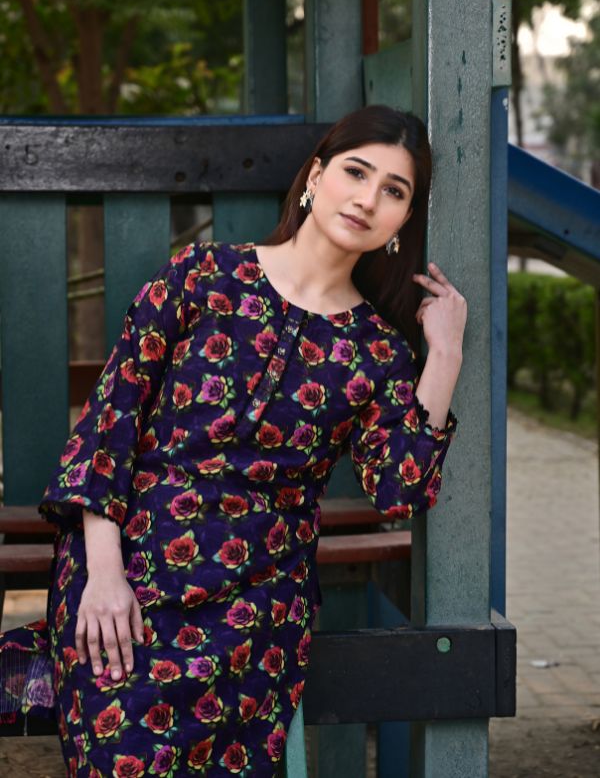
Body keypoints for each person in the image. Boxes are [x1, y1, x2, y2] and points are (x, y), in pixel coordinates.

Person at [0, 104, 466, 776]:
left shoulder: (377, 351)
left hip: (256, 599)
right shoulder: (203, 275)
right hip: (129, 561)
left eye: (393, 190)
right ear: (316, 176)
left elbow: (401, 489)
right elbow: (109, 423)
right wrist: (102, 574)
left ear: (403, 219)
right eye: (356, 172)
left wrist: (444, 355)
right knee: (121, 735)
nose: (368, 199)